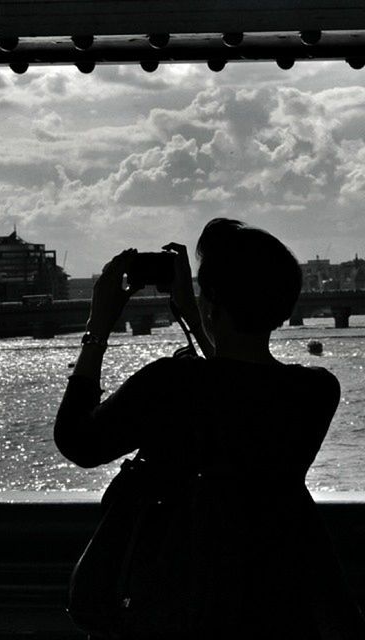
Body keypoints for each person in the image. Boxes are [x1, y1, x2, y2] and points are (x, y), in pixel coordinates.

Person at [55, 218, 365, 639]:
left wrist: (98, 329)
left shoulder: (170, 384)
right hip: (276, 607)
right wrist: (199, 315)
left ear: (212, 304)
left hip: (173, 606)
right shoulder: (314, 393)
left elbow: (78, 442)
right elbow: (235, 387)